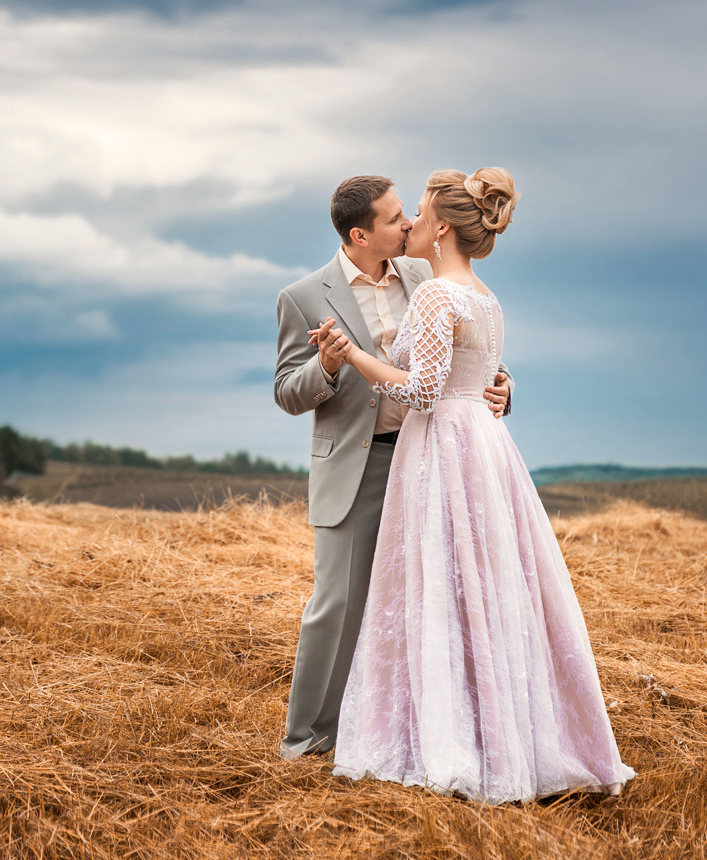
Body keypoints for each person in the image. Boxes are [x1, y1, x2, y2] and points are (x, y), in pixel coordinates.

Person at [328, 167, 635, 803]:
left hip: (443, 446)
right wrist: (503, 388)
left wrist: (353, 356)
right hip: (486, 446)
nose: (409, 220)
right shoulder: (485, 297)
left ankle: (457, 735)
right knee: (489, 583)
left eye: (416, 210)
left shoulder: (437, 296)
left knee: (443, 583)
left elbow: (422, 391)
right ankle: (506, 726)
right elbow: (482, 373)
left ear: (442, 227)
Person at [273, 176, 513, 760]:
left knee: (430, 602)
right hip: (354, 468)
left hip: (431, 462)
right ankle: (306, 740)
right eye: (394, 218)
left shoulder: (425, 274)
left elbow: (467, 351)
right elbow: (286, 391)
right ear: (360, 233)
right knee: (338, 606)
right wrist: (327, 368)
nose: (408, 224)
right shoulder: (303, 296)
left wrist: (502, 386)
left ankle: (397, 731)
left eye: (409, 214)